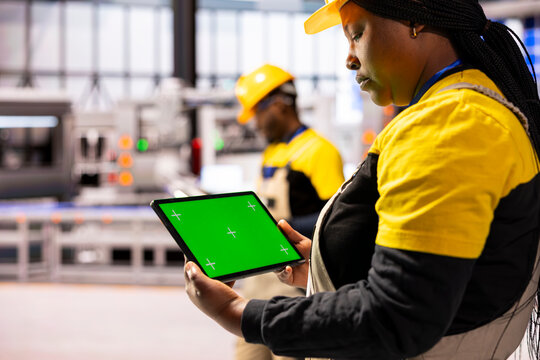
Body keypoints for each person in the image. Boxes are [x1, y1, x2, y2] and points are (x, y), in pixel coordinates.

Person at [183, 1, 540, 359]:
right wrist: (327, 263)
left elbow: (398, 317)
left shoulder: (447, 125)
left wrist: (238, 314)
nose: (349, 59)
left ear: (415, 19)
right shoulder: (469, 113)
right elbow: (450, 276)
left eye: (356, 35)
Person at [233, 64, 345, 360]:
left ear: (279, 105)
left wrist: (282, 228)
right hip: (257, 285)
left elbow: (335, 221)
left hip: (293, 288)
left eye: (257, 113)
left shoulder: (319, 151)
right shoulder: (272, 152)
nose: (255, 124)